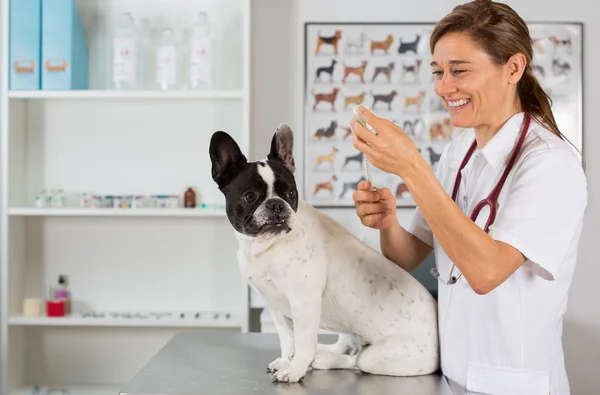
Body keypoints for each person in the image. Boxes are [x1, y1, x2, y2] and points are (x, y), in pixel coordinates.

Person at [350, 1, 587, 394]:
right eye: (439, 72)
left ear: (513, 68)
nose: (444, 87)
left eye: (459, 71)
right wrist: (387, 222)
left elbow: (487, 272)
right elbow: (410, 255)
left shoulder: (551, 164)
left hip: (513, 385)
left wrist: (412, 167)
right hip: (452, 377)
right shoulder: (459, 152)